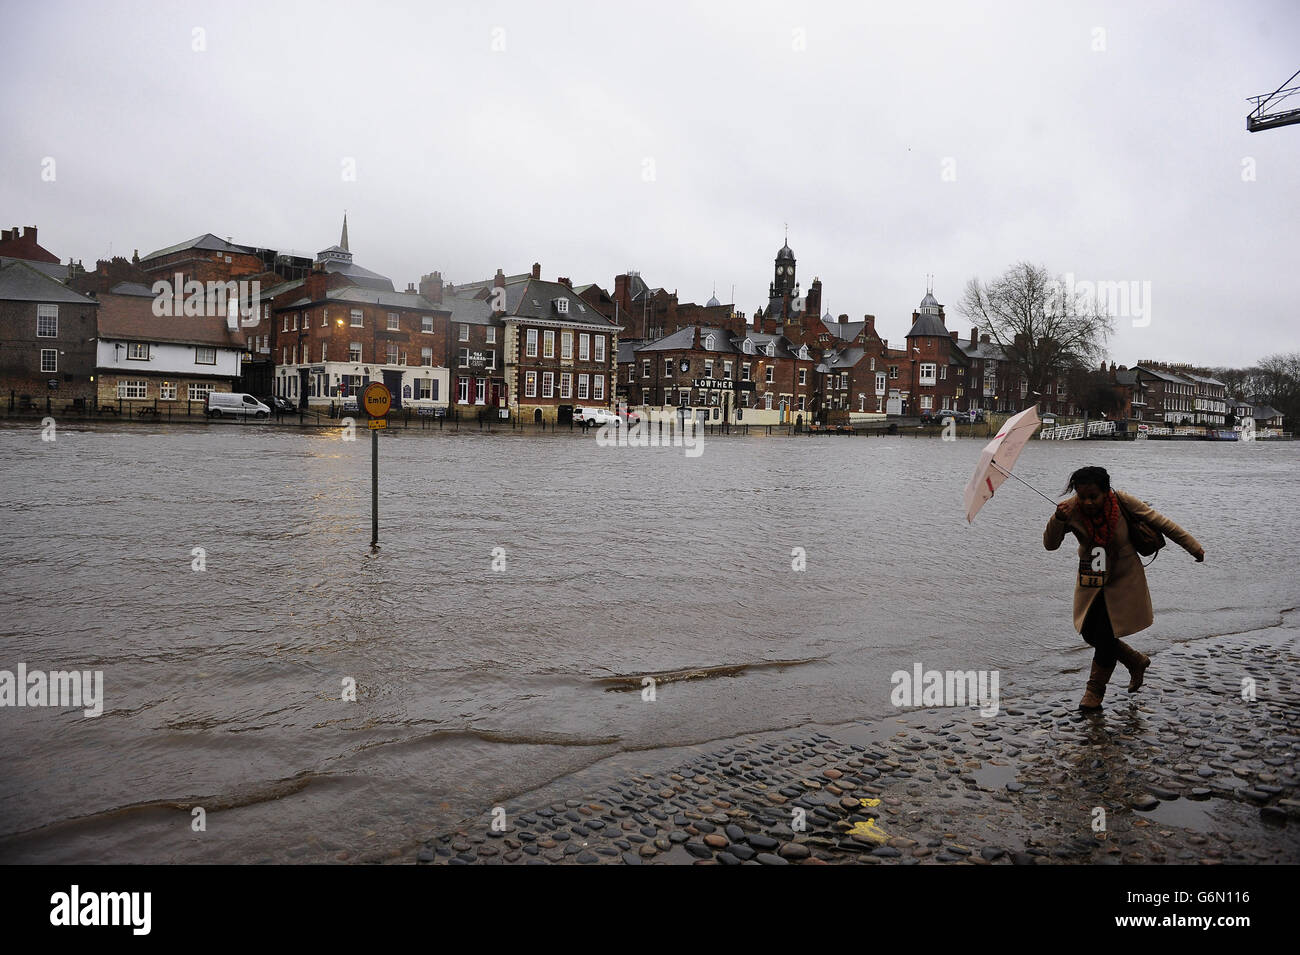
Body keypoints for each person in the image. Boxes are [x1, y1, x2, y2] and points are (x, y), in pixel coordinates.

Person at [1044, 465, 1205, 711]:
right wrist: (1058, 519)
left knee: (1106, 635)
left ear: (1106, 491)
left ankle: (1094, 693)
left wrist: (1194, 547)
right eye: (1082, 496)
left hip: (1124, 576)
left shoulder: (1122, 501)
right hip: (1091, 578)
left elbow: (1162, 522)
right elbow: (1050, 545)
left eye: (1093, 497)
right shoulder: (1070, 510)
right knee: (1089, 632)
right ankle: (1135, 660)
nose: (1087, 502)